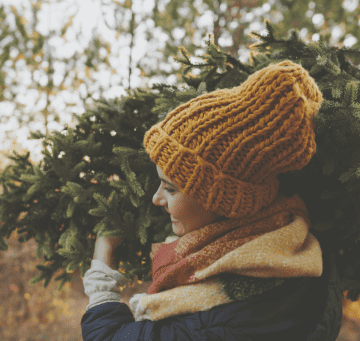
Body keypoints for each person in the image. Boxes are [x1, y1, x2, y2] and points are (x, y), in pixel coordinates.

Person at [81, 60, 343, 340]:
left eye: (170, 188)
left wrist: (103, 255)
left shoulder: (222, 321)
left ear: (220, 200)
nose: (156, 199)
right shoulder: (298, 247)